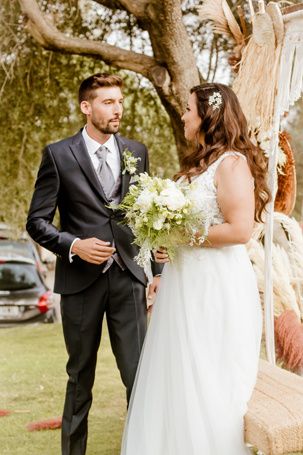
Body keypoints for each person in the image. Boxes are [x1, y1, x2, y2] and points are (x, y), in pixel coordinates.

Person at [121, 83, 271, 454]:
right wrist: (165, 241)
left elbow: (240, 230)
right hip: (183, 288)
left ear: (209, 115)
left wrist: (180, 235)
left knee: (207, 380)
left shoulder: (232, 163)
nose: (185, 115)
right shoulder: (196, 165)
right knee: (177, 379)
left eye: (189, 109)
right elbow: (188, 229)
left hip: (215, 290)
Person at [26, 73, 162, 455]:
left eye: (119, 101)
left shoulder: (137, 150)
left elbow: (149, 217)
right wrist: (73, 245)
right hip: (80, 283)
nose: (117, 109)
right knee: (79, 377)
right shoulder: (58, 153)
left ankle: (144, 448)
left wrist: (158, 272)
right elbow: (36, 221)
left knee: (139, 376)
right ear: (86, 107)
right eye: (107, 102)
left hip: (129, 280)